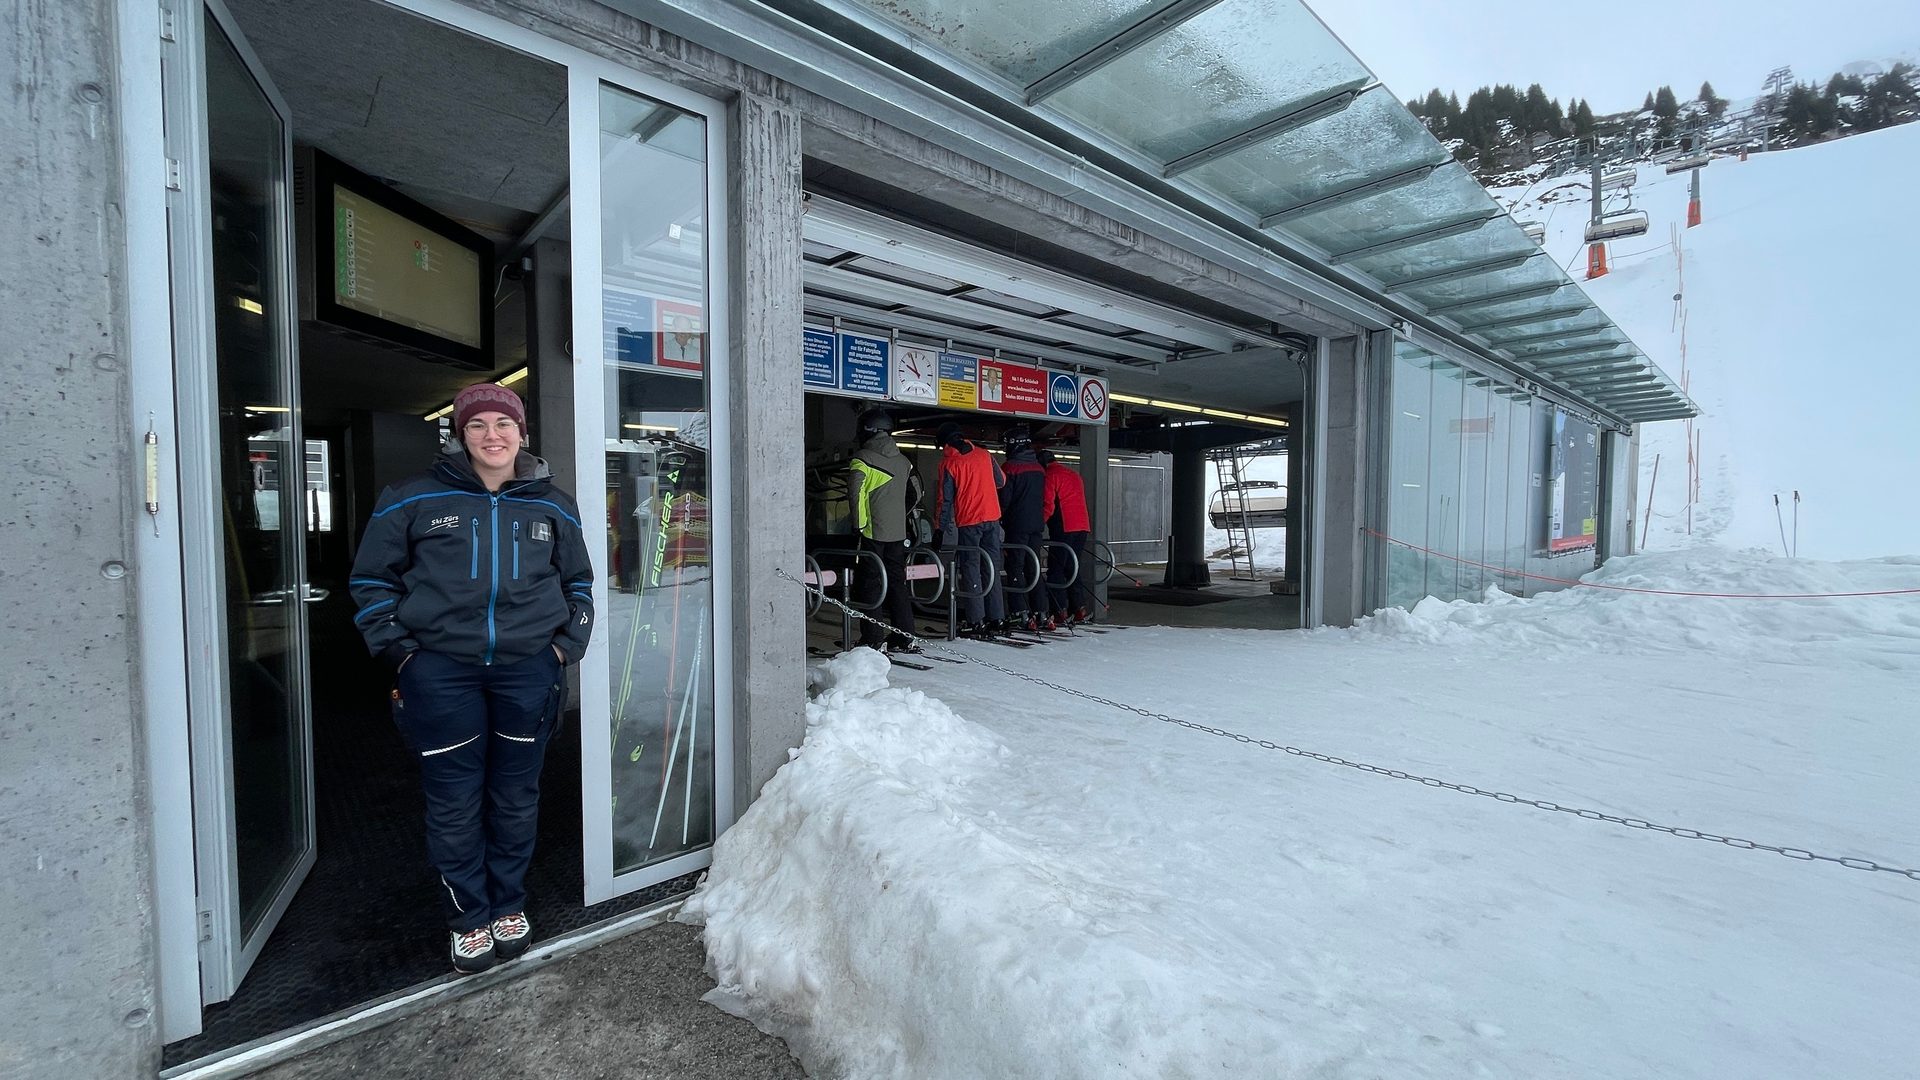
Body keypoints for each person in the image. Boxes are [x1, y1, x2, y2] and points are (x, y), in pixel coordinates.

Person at [349, 382, 595, 975]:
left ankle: (508, 903)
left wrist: (564, 650)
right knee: (455, 798)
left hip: (527, 672)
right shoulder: (410, 498)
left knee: (515, 794)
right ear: (461, 434)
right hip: (441, 674)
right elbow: (371, 583)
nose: (492, 435)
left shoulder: (553, 504)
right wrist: (403, 655)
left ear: (521, 433)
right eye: (479, 424)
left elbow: (579, 583)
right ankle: (469, 916)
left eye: (503, 424)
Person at [846, 408, 922, 652]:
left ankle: (873, 637)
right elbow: (918, 493)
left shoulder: (862, 459)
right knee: (897, 584)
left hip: (871, 533)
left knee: (869, 585)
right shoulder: (904, 461)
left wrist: (859, 525)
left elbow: (855, 495)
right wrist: (900, 516)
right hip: (897, 534)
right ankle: (905, 635)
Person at [934, 421, 1006, 635]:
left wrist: (939, 529)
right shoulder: (985, 455)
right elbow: (1001, 481)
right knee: (991, 567)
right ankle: (998, 618)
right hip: (993, 518)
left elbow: (944, 501)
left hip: (970, 523)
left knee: (971, 568)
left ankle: (976, 621)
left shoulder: (949, 463)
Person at [998, 424, 1050, 631]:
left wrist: (999, 517)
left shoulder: (1010, 468)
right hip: (1036, 525)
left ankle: (1019, 612)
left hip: (1017, 526)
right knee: (1034, 567)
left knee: (1015, 568)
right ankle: (1041, 611)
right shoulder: (1039, 469)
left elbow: (1005, 500)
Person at [1039, 447, 1093, 624]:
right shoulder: (1073, 474)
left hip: (1064, 526)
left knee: (1056, 569)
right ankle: (1079, 608)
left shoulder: (1050, 476)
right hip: (1082, 526)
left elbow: (1048, 504)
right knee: (1072, 567)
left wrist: (1039, 524)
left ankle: (1059, 610)